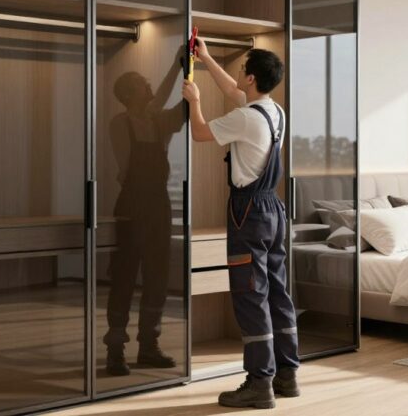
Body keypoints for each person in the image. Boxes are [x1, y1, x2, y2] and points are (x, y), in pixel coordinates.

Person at [181, 40, 300, 409]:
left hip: (248, 212)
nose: (236, 75)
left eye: (241, 69)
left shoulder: (247, 118)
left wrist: (194, 100)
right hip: (273, 211)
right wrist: (206, 59)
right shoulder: (272, 111)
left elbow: (200, 133)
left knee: (251, 295)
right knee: (277, 293)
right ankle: (286, 375)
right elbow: (235, 93)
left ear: (250, 77)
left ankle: (259, 384)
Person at [104, 59, 184, 376]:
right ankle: (115, 349)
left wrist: (188, 70)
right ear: (128, 94)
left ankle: (149, 346)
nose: (148, 84)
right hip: (132, 205)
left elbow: (181, 108)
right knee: (124, 276)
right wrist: (176, 66)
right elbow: (160, 105)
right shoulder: (120, 123)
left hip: (158, 205)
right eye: (141, 81)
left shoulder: (159, 121)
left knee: (157, 276)